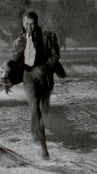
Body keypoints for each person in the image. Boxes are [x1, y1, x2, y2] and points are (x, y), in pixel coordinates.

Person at [10, 11, 65, 159]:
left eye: (32, 23)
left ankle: (44, 103)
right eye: (26, 23)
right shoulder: (19, 40)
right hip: (29, 76)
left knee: (42, 104)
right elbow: (16, 61)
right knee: (35, 107)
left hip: (45, 76)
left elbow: (55, 56)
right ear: (23, 23)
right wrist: (7, 73)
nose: (29, 27)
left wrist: (42, 68)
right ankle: (42, 144)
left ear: (36, 23)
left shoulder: (48, 37)